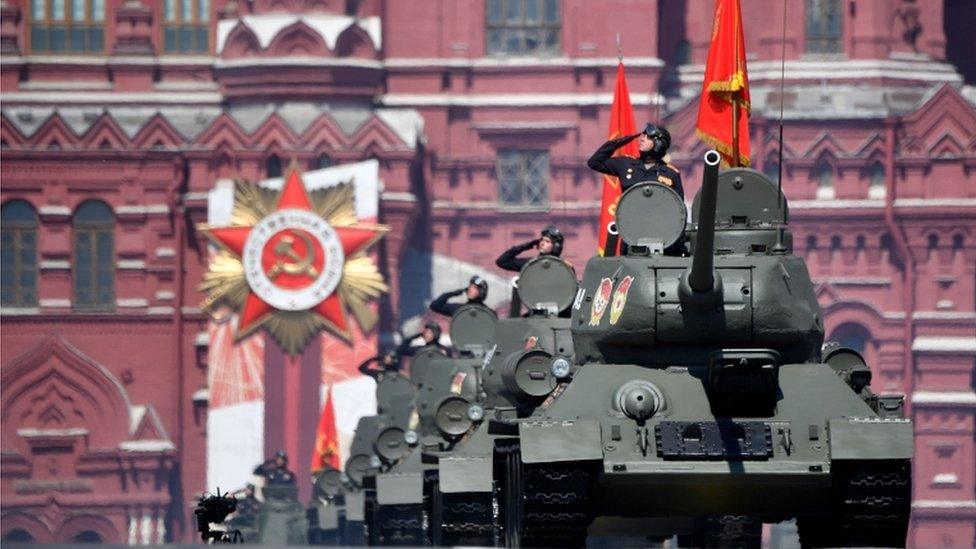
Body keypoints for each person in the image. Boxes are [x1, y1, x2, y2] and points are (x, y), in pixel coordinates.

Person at [587, 122, 684, 199]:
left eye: (648, 137)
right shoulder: (627, 164)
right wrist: (620, 142)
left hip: (657, 222)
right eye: (643, 135)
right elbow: (594, 162)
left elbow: (679, 208)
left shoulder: (671, 174)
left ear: (659, 144)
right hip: (629, 221)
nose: (642, 139)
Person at [495, 225, 564, 272]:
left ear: (556, 247)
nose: (542, 243)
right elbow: (502, 261)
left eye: (547, 241)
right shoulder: (530, 264)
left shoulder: (563, 267)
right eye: (542, 240)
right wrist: (525, 246)